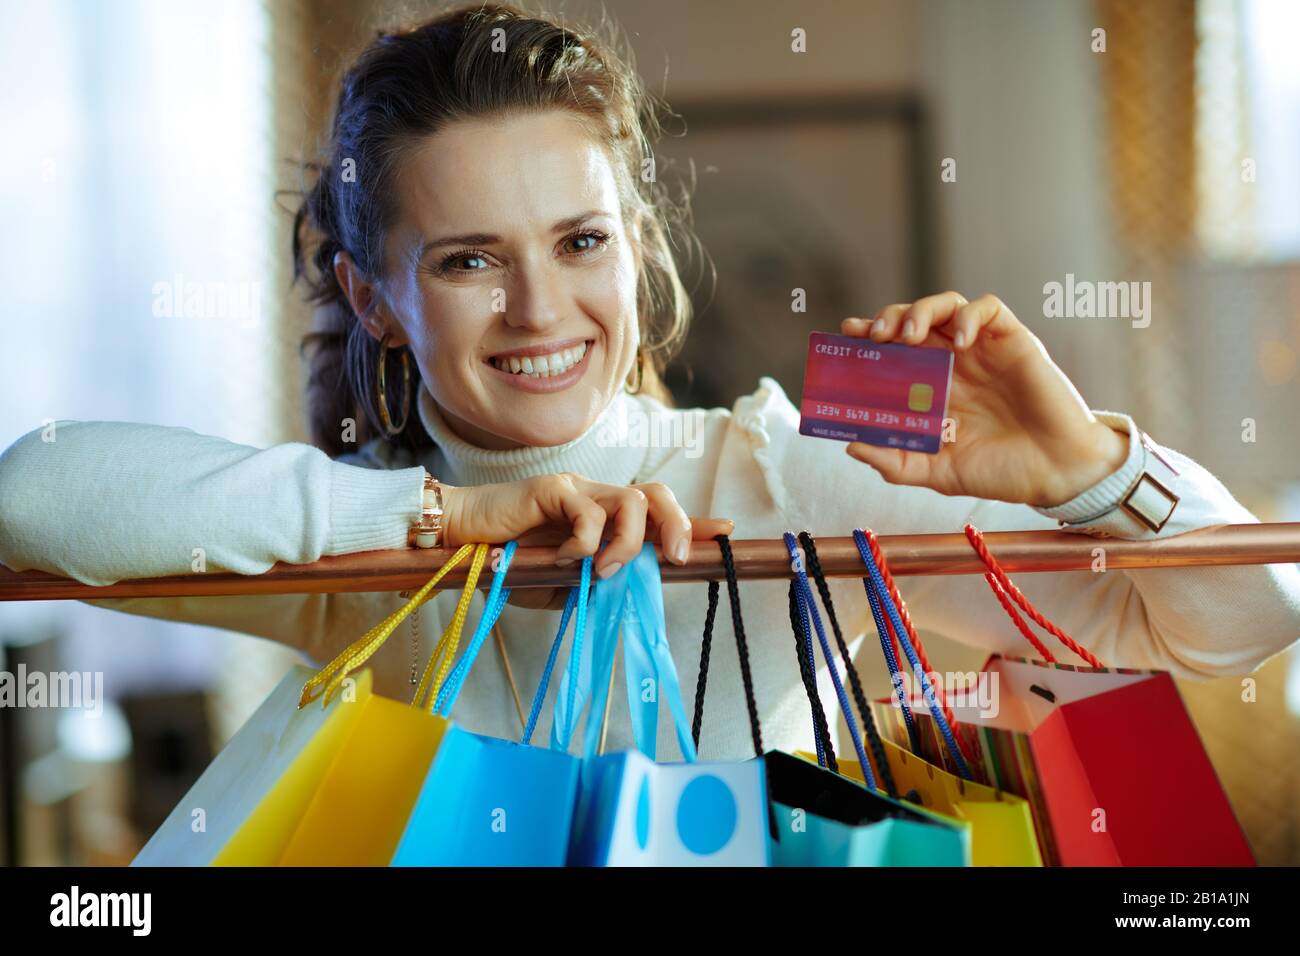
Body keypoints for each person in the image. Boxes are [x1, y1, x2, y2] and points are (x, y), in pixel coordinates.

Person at [1, 3, 1297, 761]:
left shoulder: (799, 459)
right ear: (372, 298)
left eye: (579, 242)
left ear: (637, 243)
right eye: (466, 260)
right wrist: (446, 521)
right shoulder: (366, 540)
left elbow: (1245, 623)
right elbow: (34, 493)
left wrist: (1093, 471)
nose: (538, 310)